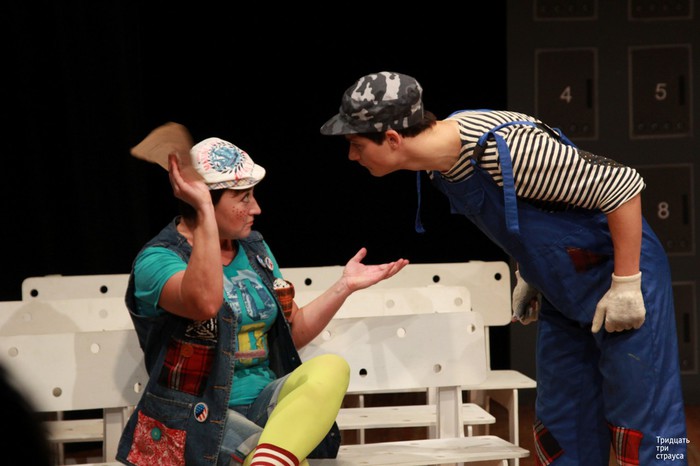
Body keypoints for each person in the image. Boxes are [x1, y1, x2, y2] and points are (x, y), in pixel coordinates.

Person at [320, 71, 688, 465]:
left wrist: (627, 284)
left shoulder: (505, 148)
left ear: (393, 139)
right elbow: (531, 216)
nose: (352, 156)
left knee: (646, 418)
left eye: (357, 145)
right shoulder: (441, 163)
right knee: (564, 421)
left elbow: (622, 185)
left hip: (618, 276)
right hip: (561, 289)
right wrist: (529, 271)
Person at [116, 134, 409, 466]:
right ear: (204, 201)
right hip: (200, 418)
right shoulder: (158, 260)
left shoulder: (255, 249)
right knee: (285, 459)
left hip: (265, 406)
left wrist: (345, 286)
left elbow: (292, 331)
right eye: (243, 198)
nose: (255, 208)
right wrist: (204, 212)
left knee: (331, 367)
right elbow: (205, 304)